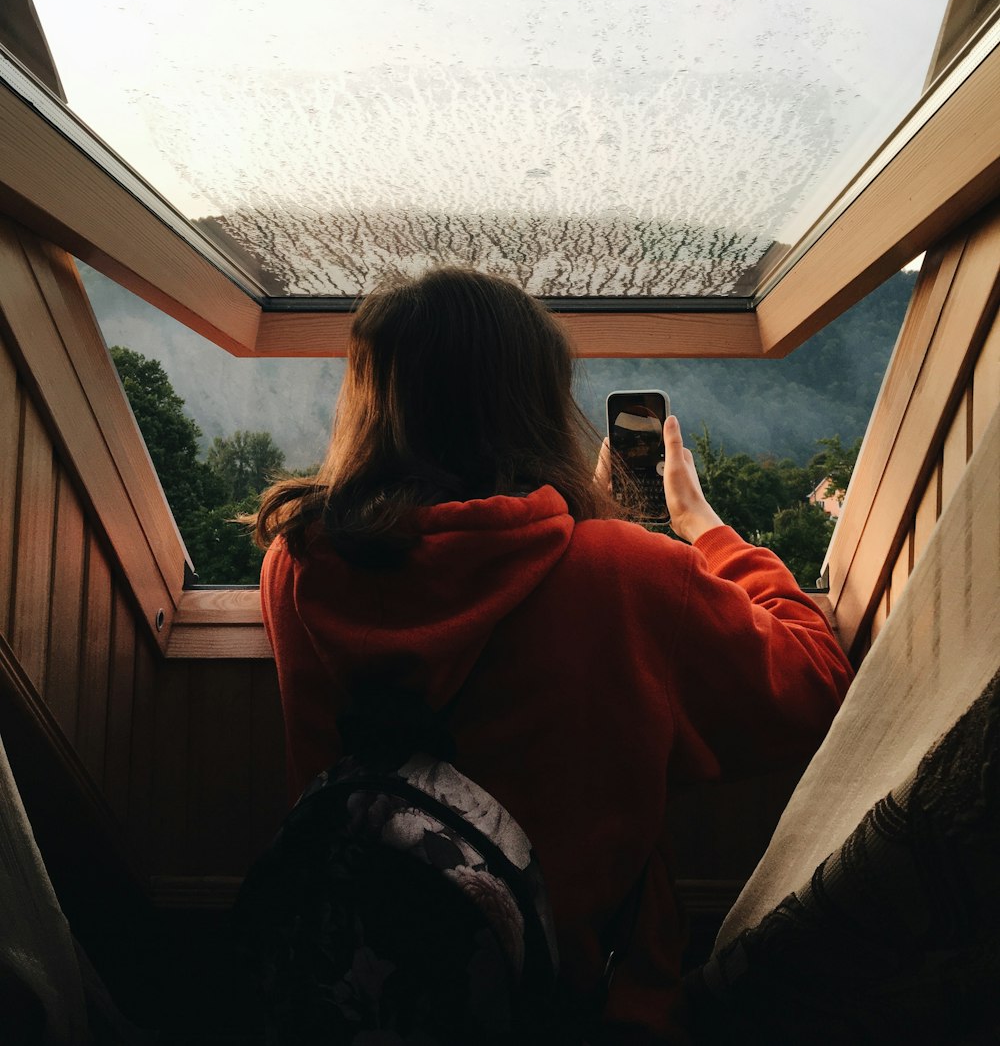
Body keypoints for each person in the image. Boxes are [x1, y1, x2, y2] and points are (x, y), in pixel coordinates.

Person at [252, 266, 853, 1043]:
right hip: (588, 1008)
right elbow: (814, 680)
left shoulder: (296, 567)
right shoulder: (624, 571)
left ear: (370, 400)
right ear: (531, 406)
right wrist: (699, 525)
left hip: (367, 999)